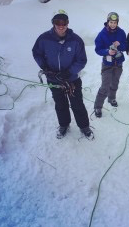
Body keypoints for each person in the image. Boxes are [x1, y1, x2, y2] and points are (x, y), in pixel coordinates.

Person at [32, 9, 92, 139]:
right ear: (53, 23)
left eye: (63, 22)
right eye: (57, 22)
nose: (61, 25)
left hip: (72, 79)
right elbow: (36, 53)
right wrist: (45, 67)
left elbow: (82, 60)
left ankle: (84, 127)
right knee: (60, 104)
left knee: (77, 104)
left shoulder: (76, 40)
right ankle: (64, 125)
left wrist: (69, 72)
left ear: (67, 23)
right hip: (53, 79)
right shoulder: (44, 39)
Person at [94, 12, 127, 118]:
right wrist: (107, 51)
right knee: (105, 86)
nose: (113, 24)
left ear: (117, 22)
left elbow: (126, 46)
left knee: (115, 83)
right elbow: (98, 49)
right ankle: (98, 106)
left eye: (115, 22)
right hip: (107, 64)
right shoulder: (102, 34)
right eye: (111, 22)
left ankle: (111, 98)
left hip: (118, 63)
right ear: (107, 22)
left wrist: (120, 45)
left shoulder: (121, 32)